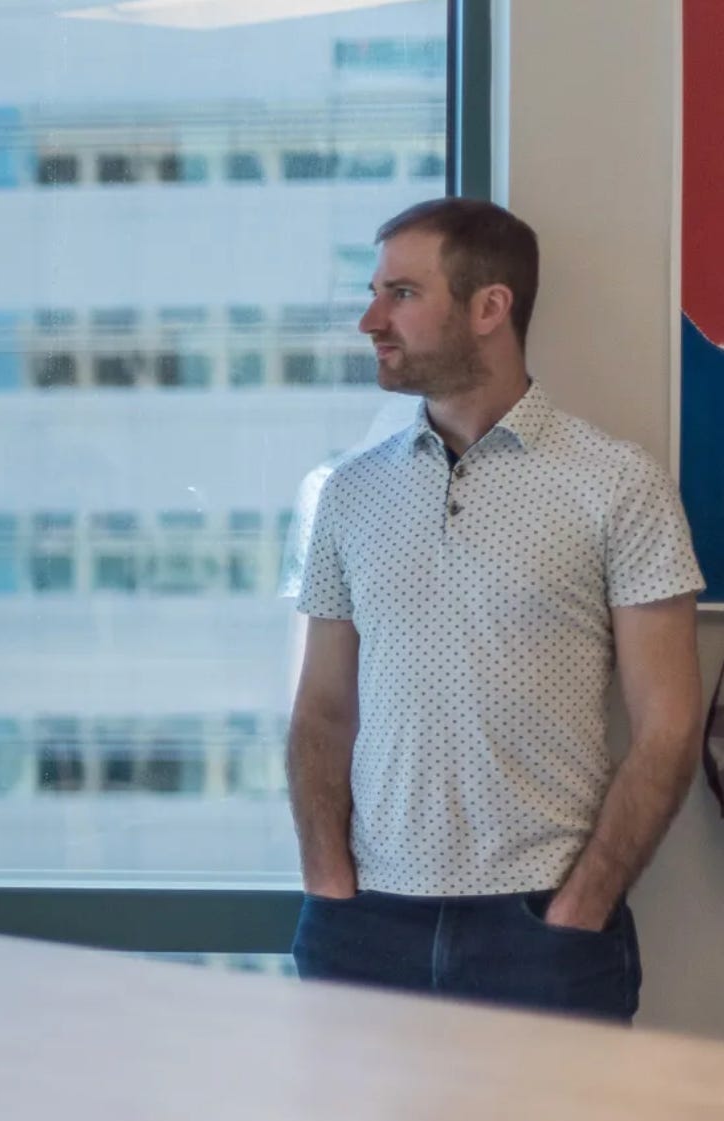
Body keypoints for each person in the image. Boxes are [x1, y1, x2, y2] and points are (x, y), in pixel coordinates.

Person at [288, 198, 705, 1022]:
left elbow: (669, 729)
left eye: (401, 294)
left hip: (544, 936)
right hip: (363, 927)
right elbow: (322, 712)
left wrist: (579, 909)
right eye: (375, 292)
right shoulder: (349, 493)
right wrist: (330, 887)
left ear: (490, 307)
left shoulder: (618, 484)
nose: (372, 319)